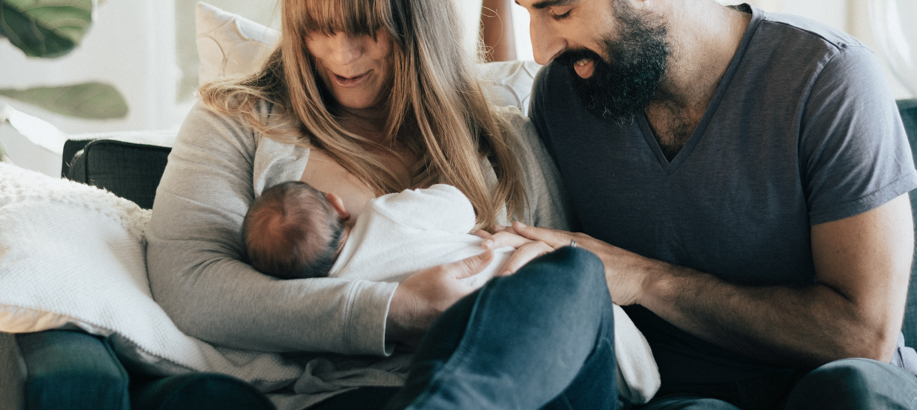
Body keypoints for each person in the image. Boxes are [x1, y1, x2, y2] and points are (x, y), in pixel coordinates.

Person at [493, 0, 917, 410]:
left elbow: (861, 337)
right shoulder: (563, 97)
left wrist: (646, 280)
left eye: (559, 12)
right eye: (529, 14)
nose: (540, 49)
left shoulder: (828, 77)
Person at [145, 0, 618, 410]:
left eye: (368, 28)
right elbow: (191, 285)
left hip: (492, 386)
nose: (342, 55)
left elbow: (566, 306)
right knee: (192, 399)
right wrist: (396, 309)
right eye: (319, 28)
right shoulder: (239, 118)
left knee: (576, 274)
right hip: (336, 396)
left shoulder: (506, 143)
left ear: (417, 19)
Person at [241, 180, 661, 404]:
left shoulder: (332, 297)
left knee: (573, 274)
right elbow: (457, 204)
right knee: (576, 269)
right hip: (555, 335)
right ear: (336, 203)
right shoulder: (383, 213)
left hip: (522, 344)